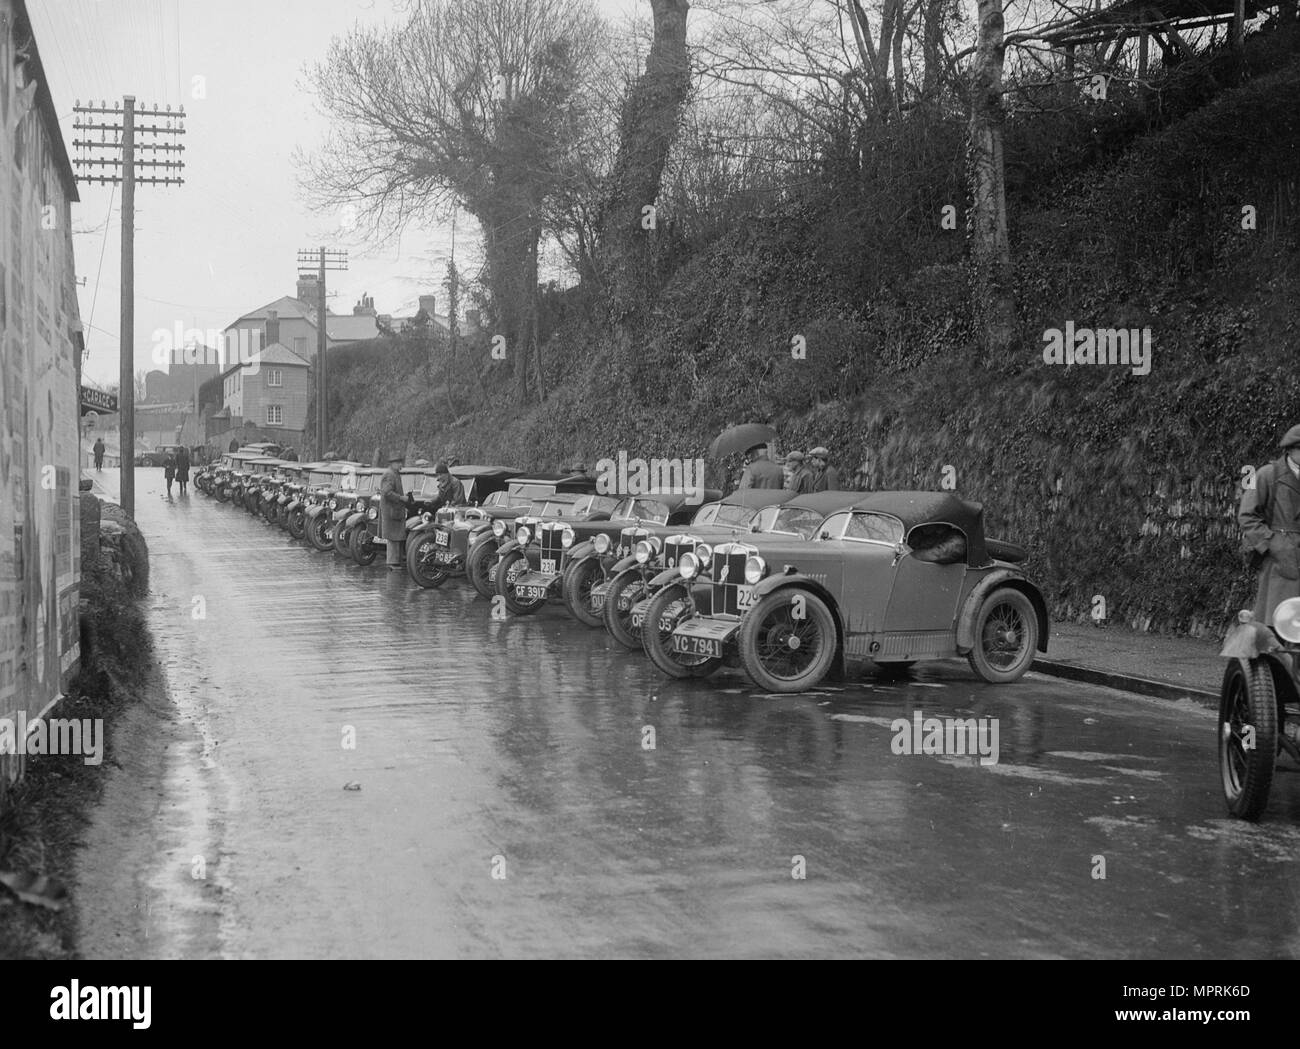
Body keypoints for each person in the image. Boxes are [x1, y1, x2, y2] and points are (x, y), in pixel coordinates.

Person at [1238, 424, 1300, 623]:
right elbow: (1247, 515)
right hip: (1279, 558)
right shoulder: (1266, 475)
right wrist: (1271, 543)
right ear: (1290, 450)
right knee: (1277, 617)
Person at [379, 449, 411, 569]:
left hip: (395, 511)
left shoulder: (394, 474)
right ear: (392, 464)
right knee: (393, 538)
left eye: (400, 462)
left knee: (395, 537)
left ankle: (395, 562)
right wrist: (401, 498)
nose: (400, 465)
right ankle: (392, 563)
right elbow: (387, 492)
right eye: (398, 463)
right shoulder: (390, 475)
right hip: (392, 511)